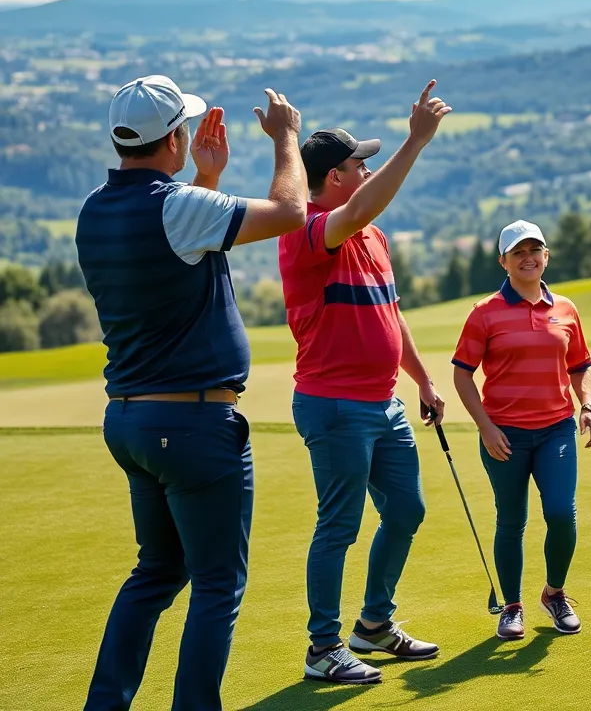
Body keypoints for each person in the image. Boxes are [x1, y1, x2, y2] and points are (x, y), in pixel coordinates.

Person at [77, 76, 308, 711]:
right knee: (216, 584)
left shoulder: (96, 207)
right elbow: (291, 213)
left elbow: (175, 254)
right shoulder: (175, 207)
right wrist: (286, 140)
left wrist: (203, 180)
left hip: (131, 421)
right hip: (195, 426)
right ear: (174, 137)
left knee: (156, 573)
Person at [279, 80, 452, 685]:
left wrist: (425, 381)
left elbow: (389, 313)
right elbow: (358, 211)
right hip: (333, 405)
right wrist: (415, 142)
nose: (366, 168)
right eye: (360, 162)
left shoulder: (372, 238)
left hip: (384, 404)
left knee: (406, 510)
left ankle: (373, 625)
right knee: (340, 526)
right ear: (334, 178)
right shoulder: (309, 231)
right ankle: (322, 648)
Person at [451, 220, 591, 641]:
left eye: (535, 250)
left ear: (546, 256)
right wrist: (486, 427)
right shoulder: (485, 313)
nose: (528, 258)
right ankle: (512, 607)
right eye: (518, 252)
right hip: (504, 436)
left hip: (555, 429)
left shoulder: (566, 309)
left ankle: (554, 593)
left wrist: (586, 406)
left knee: (560, 513)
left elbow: (580, 364)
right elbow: (463, 375)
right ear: (504, 261)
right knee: (511, 520)